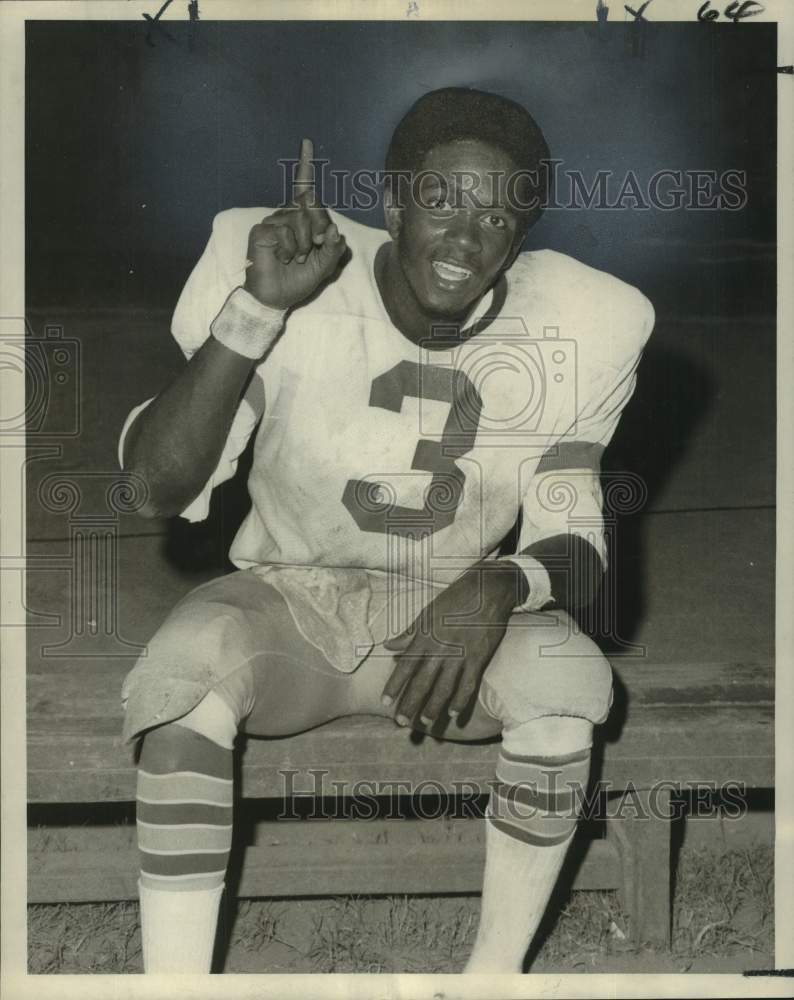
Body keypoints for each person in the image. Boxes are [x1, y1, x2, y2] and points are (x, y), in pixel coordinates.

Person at [119, 86, 654, 974]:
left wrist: (497, 583)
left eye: (498, 214)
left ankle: (490, 980)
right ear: (395, 201)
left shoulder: (582, 319)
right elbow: (151, 489)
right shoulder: (296, 275)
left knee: (568, 675)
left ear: (521, 234)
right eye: (442, 201)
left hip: (443, 633)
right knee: (183, 679)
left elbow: (585, 550)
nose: (466, 236)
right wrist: (255, 311)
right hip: (286, 603)